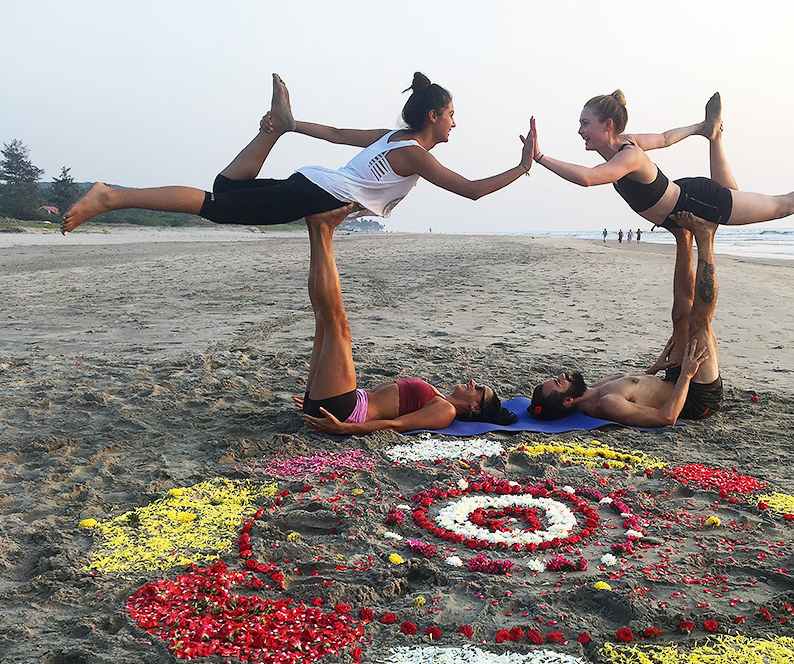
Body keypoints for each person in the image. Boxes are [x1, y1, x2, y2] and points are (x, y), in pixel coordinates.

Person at [62, 73, 533, 233]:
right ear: (433, 115)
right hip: (314, 192)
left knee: (228, 188)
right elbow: (470, 191)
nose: (455, 122)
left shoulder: (390, 137)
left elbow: (332, 132)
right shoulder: (412, 152)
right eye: (452, 114)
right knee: (216, 205)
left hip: (313, 183)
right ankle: (111, 197)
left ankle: (273, 130)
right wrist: (521, 166)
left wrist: (290, 124)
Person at [525, 92, 794, 230]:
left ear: (607, 125)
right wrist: (699, 126)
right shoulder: (629, 145)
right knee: (734, 192)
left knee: (782, 206)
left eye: (584, 124)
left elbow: (590, 178)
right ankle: (714, 135)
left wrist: (539, 157)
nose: (580, 131)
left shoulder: (629, 154)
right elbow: (667, 138)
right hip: (688, 196)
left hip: (696, 200)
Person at [296, 205, 509, 435]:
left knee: (337, 325)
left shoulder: (445, 412)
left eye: (479, 390)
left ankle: (323, 228)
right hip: (335, 402)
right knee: (323, 322)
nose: (473, 382)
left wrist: (345, 429)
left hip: (346, 412)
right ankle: (315, 227)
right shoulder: (438, 397)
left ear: (475, 408)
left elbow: (395, 426)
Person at [529, 211, 721, 426]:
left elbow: (633, 384)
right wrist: (686, 375)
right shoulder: (607, 404)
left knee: (680, 314)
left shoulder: (591, 388)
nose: (563, 375)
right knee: (698, 321)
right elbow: (666, 417)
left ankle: (683, 237)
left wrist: (653, 369)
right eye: (558, 382)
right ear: (568, 401)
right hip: (696, 396)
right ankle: (706, 236)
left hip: (673, 379)